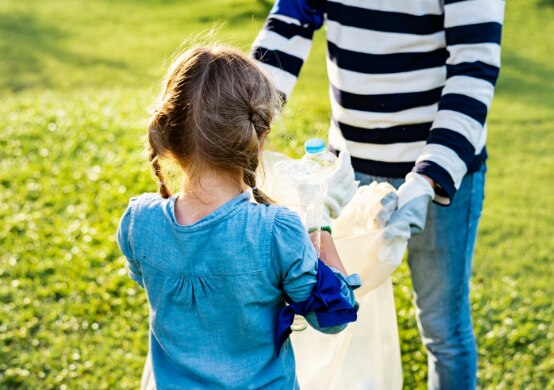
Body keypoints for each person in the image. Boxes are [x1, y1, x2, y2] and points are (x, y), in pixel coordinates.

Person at [252, 0, 505, 388]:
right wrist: (244, 124)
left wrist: (425, 181)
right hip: (348, 169)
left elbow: (474, 68)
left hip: (437, 167)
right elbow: (289, 27)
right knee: (347, 320)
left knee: (443, 329)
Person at [116, 45, 361, 389]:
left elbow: (149, 281)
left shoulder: (138, 221)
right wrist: (318, 219)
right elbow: (333, 316)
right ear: (259, 138)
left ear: (170, 136)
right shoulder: (277, 231)